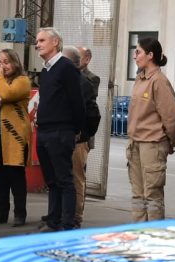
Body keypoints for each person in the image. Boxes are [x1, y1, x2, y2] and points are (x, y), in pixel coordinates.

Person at [34, 28, 85, 232]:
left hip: (60, 131)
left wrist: (76, 129)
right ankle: (53, 222)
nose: (38, 44)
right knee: (52, 181)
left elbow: (77, 101)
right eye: (37, 41)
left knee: (64, 180)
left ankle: (66, 224)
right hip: (44, 131)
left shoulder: (66, 68)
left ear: (55, 42)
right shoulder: (46, 71)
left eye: (42, 40)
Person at [126, 37, 175, 221]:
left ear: (150, 55)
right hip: (136, 144)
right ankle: (138, 235)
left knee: (152, 195)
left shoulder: (159, 81)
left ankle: (153, 238)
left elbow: (171, 116)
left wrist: (169, 143)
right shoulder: (140, 79)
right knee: (138, 195)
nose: (135, 56)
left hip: (152, 145)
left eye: (138, 52)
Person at [0, 48, 31, 227]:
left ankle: (20, 214)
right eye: (0, 62)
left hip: (15, 137)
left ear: (15, 63)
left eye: (7, 62)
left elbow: (9, 94)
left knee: (16, 177)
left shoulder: (23, 81)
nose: (3, 66)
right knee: (0, 177)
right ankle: (1, 212)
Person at [74, 46, 101, 228]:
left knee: (77, 176)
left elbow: (86, 102)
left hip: (82, 135)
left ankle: (77, 215)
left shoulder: (91, 79)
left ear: (87, 59)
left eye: (78, 56)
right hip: (68, 133)